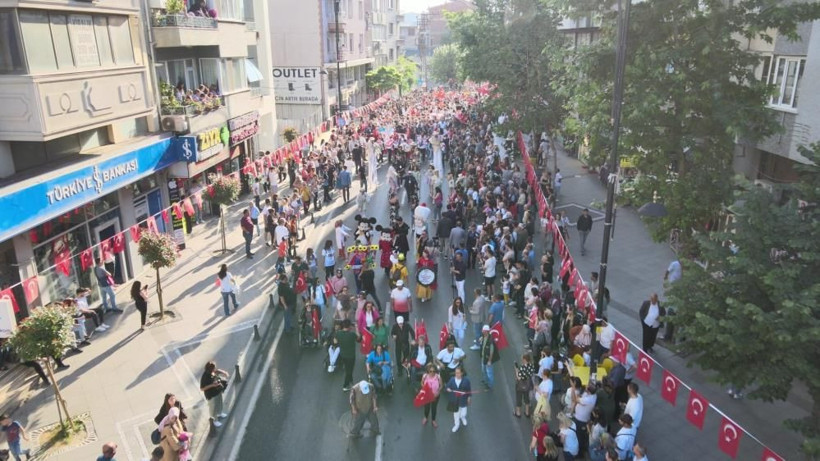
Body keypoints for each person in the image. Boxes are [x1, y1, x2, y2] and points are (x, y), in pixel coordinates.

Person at [199, 361, 229, 427]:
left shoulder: (212, 372)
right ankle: (214, 420)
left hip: (217, 391)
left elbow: (217, 371)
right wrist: (212, 385)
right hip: (211, 395)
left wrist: (224, 372)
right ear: (210, 369)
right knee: (213, 408)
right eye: (214, 368)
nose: (215, 369)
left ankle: (219, 413)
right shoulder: (205, 377)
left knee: (219, 402)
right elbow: (202, 388)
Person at [572, 383, 598, 457]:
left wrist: (573, 389)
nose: (585, 387)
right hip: (581, 417)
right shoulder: (592, 395)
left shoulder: (588, 400)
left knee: (580, 437)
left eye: (587, 387)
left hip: (581, 420)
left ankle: (580, 453)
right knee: (581, 435)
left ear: (589, 391)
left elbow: (575, 399)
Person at [336, 320, 361, 391]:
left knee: (347, 368)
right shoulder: (352, 334)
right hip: (351, 356)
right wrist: (356, 328)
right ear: (349, 326)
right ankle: (345, 385)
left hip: (343, 354)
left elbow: (336, 341)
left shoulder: (338, 333)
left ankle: (350, 380)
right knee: (349, 371)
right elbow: (359, 339)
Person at [445, 366, 471, 433]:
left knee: (463, 413)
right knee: (456, 414)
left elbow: (469, 390)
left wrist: (469, 397)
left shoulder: (466, 380)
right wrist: (448, 389)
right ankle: (457, 425)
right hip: (455, 400)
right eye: (456, 373)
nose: (456, 374)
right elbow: (447, 386)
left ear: (462, 373)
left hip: (463, 400)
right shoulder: (452, 380)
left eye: (458, 373)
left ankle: (463, 417)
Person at [514, 353, 536, 418]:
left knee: (519, 398)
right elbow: (530, 374)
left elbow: (519, 378)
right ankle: (527, 412)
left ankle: (518, 413)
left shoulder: (522, 367)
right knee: (526, 398)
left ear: (524, 360)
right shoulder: (531, 366)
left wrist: (516, 370)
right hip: (527, 385)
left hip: (520, 385)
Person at [420, 363, 443, 428]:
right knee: (426, 407)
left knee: (434, 408)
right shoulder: (425, 376)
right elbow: (421, 382)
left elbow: (441, 386)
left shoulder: (438, 377)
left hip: (435, 396)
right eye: (430, 371)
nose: (432, 373)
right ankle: (426, 417)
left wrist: (438, 392)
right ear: (428, 371)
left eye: (434, 371)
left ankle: (433, 420)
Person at [478, 325, 500, 389]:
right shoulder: (483, 337)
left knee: (489, 373)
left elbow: (491, 351)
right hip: (483, 358)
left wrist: (490, 361)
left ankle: (490, 385)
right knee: (483, 370)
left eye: (483, 331)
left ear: (487, 332)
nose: (482, 332)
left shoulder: (491, 341)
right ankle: (485, 380)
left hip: (487, 359)